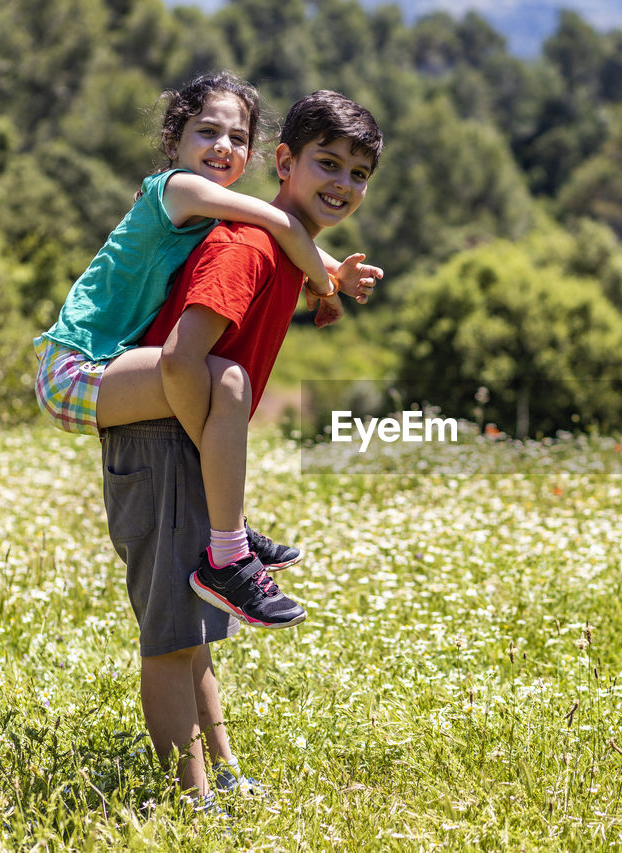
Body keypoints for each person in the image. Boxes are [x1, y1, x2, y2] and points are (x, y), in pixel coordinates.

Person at [100, 89, 383, 800]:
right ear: (283, 161)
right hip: (162, 435)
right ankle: (189, 801)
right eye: (328, 164)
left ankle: (222, 775)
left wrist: (326, 281)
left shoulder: (285, 249)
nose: (343, 185)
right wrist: (201, 445)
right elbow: (179, 357)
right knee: (172, 636)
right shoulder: (249, 244)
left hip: (185, 435)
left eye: (358, 174)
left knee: (197, 625)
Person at [33, 71, 374, 624]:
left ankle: (230, 534)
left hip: (109, 363)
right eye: (206, 131)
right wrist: (327, 278)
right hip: (73, 371)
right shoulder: (179, 188)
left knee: (223, 391)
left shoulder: (218, 210)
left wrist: (328, 275)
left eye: (238, 138)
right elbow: (279, 221)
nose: (223, 146)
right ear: (173, 140)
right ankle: (230, 547)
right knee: (227, 383)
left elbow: (282, 229)